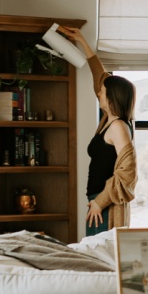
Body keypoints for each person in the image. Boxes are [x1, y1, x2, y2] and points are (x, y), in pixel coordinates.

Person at [57, 27, 137, 235]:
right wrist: (82, 41)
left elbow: (128, 173)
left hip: (106, 205)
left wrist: (99, 203)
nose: (99, 91)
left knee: (101, 260)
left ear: (113, 97)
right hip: (98, 201)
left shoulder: (119, 126)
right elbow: (99, 75)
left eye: (103, 91)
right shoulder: (108, 121)